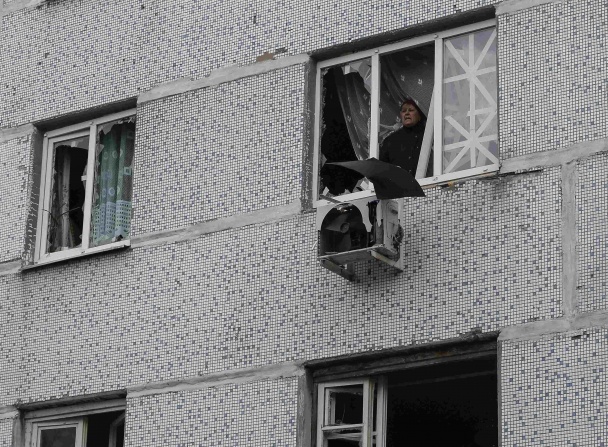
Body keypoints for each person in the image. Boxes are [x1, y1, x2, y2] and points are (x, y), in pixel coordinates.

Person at [379, 99, 426, 177]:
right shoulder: (390, 141)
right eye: (404, 111)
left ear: (419, 116)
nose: (407, 113)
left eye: (411, 110)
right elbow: (382, 169)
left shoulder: (428, 135)